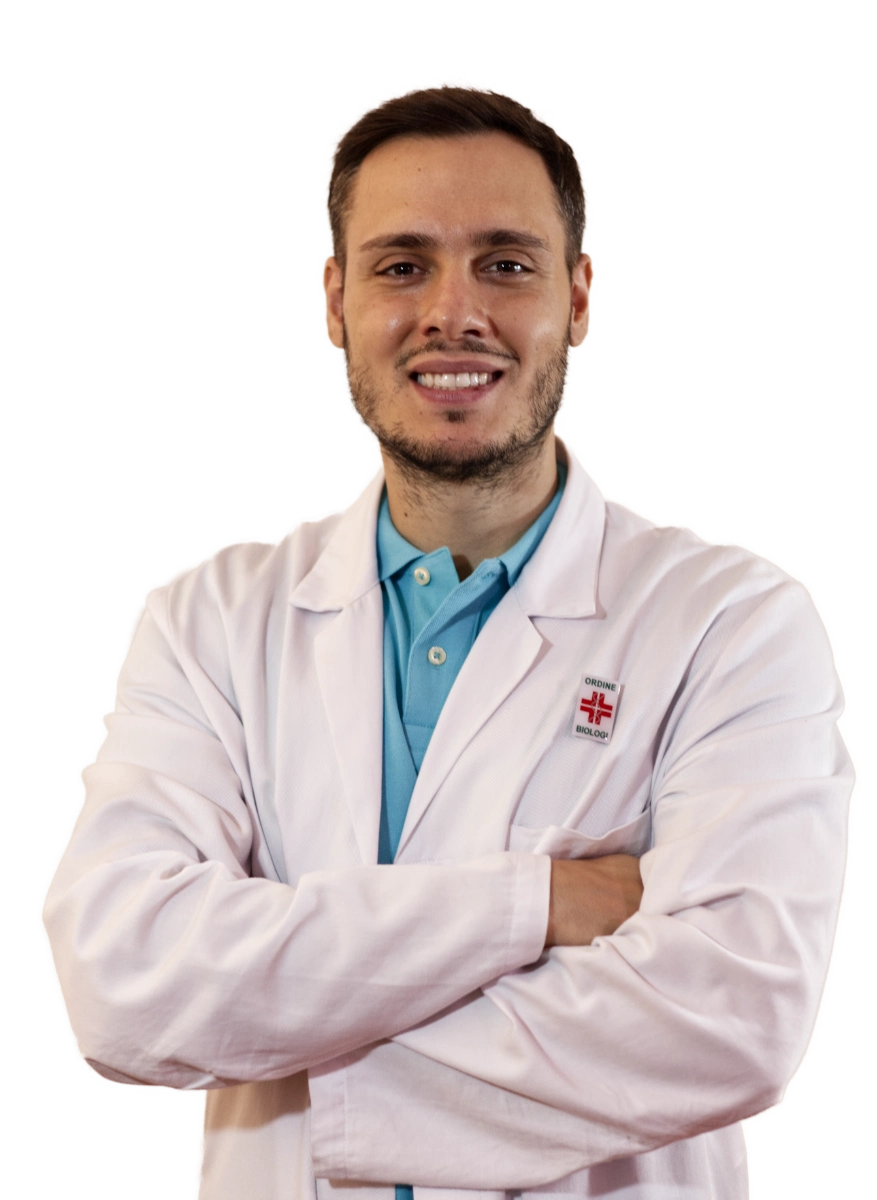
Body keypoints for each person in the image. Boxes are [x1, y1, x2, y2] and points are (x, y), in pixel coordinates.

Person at [44, 86, 854, 1199]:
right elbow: (122, 985)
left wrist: (290, 1053)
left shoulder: (730, 621)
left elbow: (728, 1019)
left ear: (577, 296)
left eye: (505, 264)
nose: (453, 313)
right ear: (334, 302)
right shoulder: (210, 618)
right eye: (402, 266)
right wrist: (535, 904)